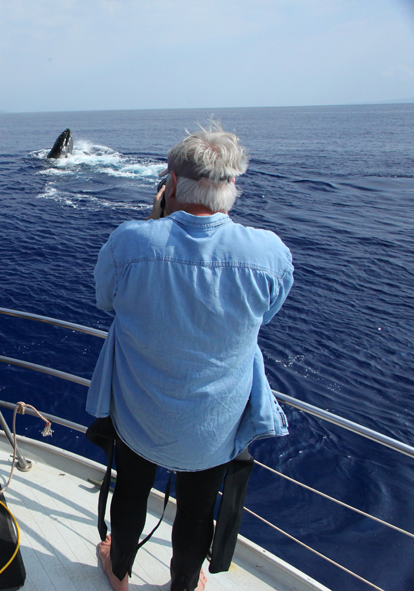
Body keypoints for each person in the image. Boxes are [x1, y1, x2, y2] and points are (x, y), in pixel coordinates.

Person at [86, 123, 293, 591]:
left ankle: (118, 572)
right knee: (198, 508)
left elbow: (106, 301)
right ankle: (185, 584)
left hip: (142, 412)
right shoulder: (269, 252)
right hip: (213, 423)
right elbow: (267, 313)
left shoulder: (131, 241)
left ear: (172, 183)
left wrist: (157, 223)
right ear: (232, 185)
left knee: (132, 492)